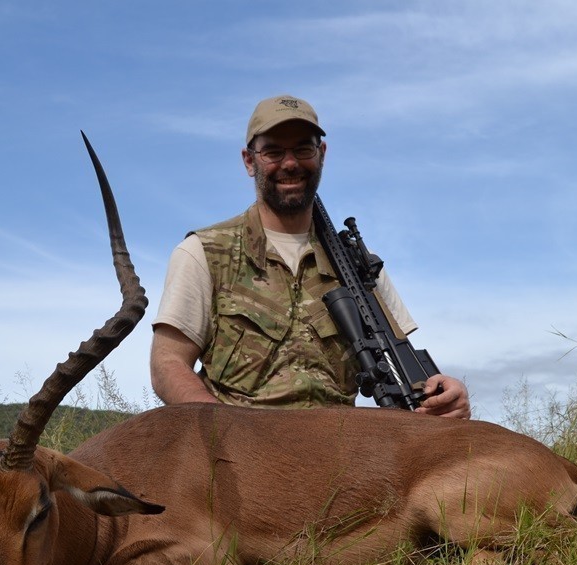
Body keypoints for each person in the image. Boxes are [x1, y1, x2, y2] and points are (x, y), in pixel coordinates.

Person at [151, 94, 471, 418]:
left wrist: (447, 396)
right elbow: (167, 364)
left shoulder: (360, 266)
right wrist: (225, 432)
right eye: (273, 151)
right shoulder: (203, 253)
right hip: (237, 455)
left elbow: (409, 373)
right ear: (249, 161)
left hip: (339, 453)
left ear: (322, 155)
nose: (290, 164)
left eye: (303, 149)